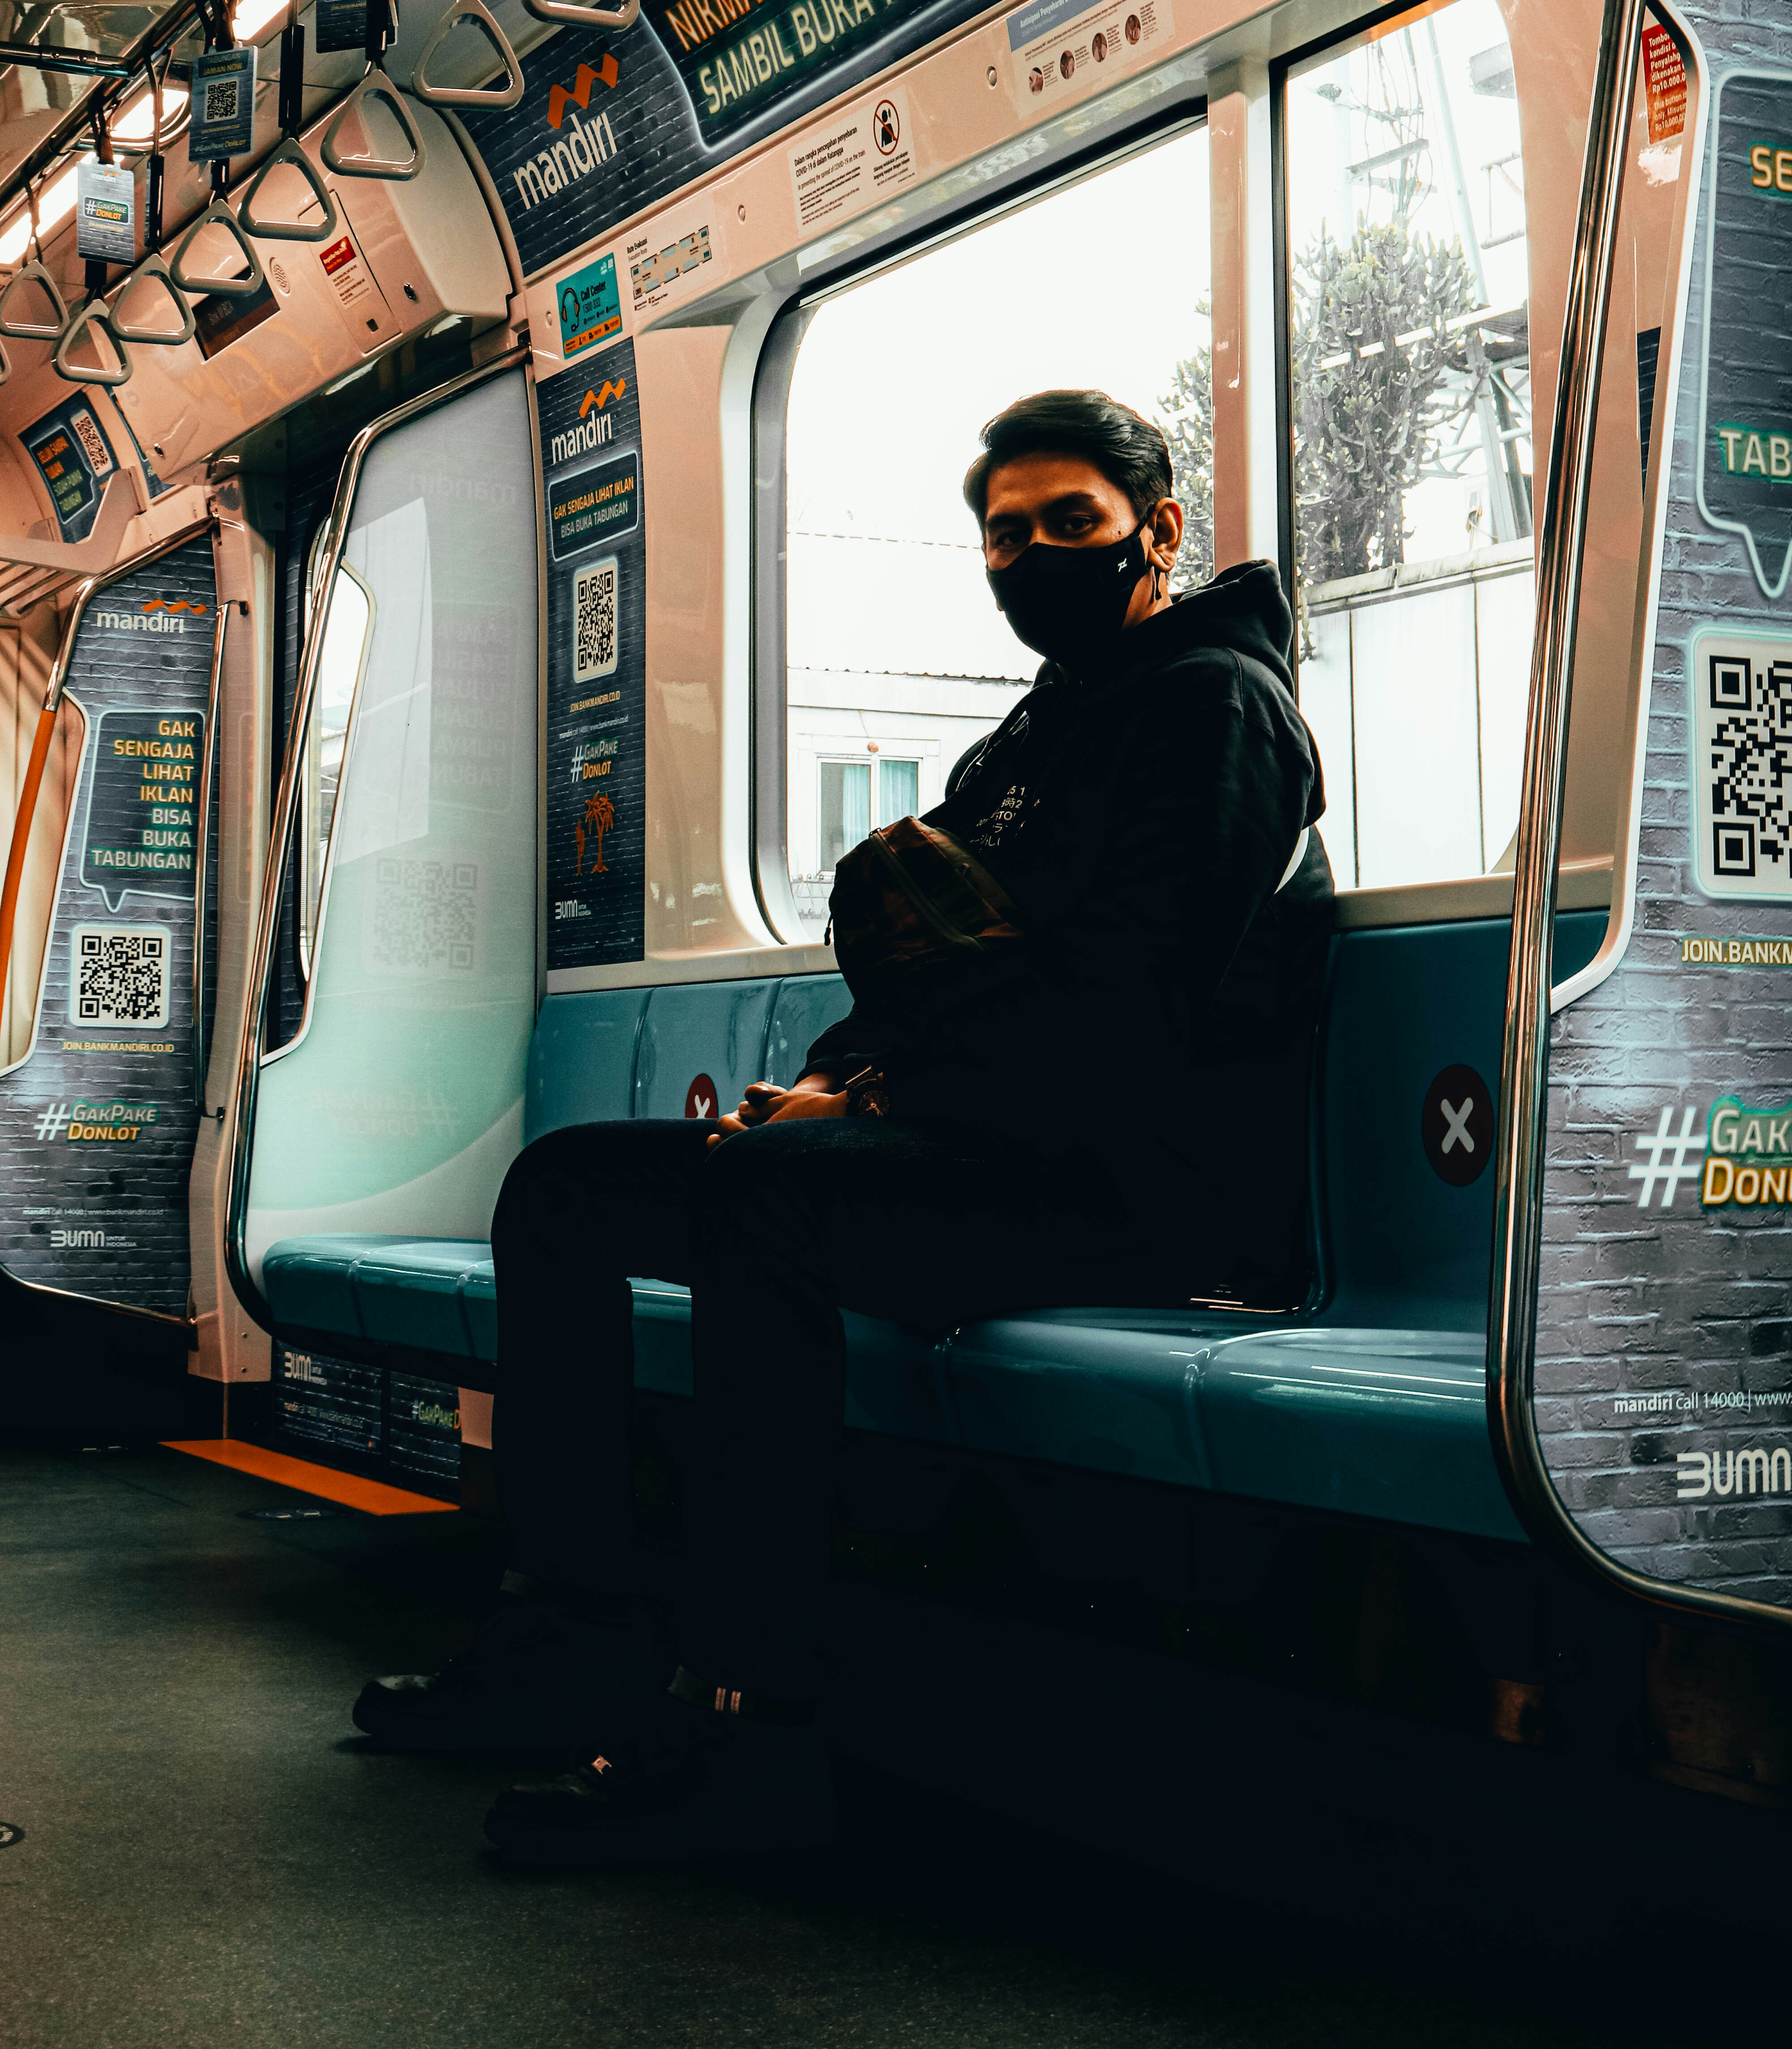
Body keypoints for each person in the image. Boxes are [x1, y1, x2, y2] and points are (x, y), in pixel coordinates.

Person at [353, 389, 1331, 1867]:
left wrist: (869, 1099)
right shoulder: (1033, 739)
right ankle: (574, 1635)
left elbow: (1125, 1010)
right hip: (977, 1151)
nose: (1033, 558)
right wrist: (833, 1078)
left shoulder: (1218, 713)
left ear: (1160, 532)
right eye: (1006, 536)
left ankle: (756, 1715)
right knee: (566, 1191)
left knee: (779, 1201)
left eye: (1073, 524)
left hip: (1130, 1186)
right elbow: (936, 978)